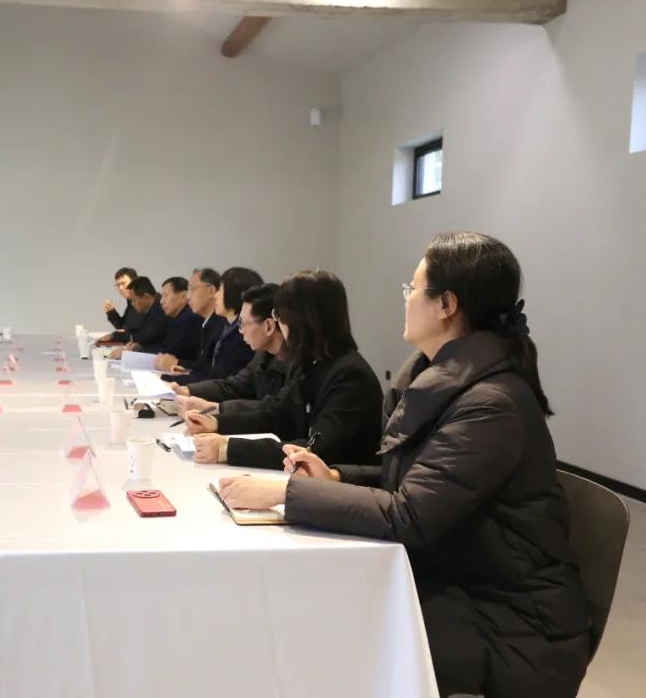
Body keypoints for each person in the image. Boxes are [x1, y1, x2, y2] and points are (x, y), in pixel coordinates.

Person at [218, 233, 591, 697]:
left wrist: (284, 492)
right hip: (460, 581)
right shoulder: (440, 380)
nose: (406, 298)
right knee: (315, 608)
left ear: (446, 304)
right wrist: (335, 477)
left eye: (412, 288)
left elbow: (409, 514)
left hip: (514, 621)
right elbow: (416, 482)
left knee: (325, 627)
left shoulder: (490, 403)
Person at [186, 272, 383, 471]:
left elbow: (316, 449)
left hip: (339, 482)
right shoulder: (309, 363)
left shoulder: (349, 375)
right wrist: (216, 423)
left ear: (303, 320)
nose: (279, 324)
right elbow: (277, 414)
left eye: (280, 316)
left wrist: (227, 449)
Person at [170, 283, 287, 410]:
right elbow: (233, 386)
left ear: (268, 326)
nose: (240, 331)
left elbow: (276, 409)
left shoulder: (295, 362)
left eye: (242, 323)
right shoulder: (263, 355)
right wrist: (187, 390)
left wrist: (217, 408)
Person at [169, 267, 261, 385]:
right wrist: (187, 372)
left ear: (234, 293)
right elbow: (212, 372)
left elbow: (223, 382)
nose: (216, 295)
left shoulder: (240, 335)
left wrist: (168, 379)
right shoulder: (228, 328)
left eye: (220, 289)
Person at [155, 267, 226, 373]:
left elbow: (212, 371)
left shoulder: (220, 325)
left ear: (211, 291)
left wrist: (176, 363)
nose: (188, 297)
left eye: (192, 289)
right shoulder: (207, 322)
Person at [133, 276, 202, 361]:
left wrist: (138, 351)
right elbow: (164, 345)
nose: (161, 301)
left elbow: (171, 352)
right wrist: (140, 347)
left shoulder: (190, 319)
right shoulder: (174, 318)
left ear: (183, 297)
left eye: (166, 296)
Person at [104, 276, 171, 353]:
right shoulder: (150, 308)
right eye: (118, 285)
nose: (133, 304)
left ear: (146, 296)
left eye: (134, 300)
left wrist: (132, 349)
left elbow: (146, 337)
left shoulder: (159, 310)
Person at [103, 267, 141, 335]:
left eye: (123, 283)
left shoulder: (147, 302)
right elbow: (124, 328)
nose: (120, 288)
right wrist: (111, 312)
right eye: (118, 285)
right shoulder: (131, 303)